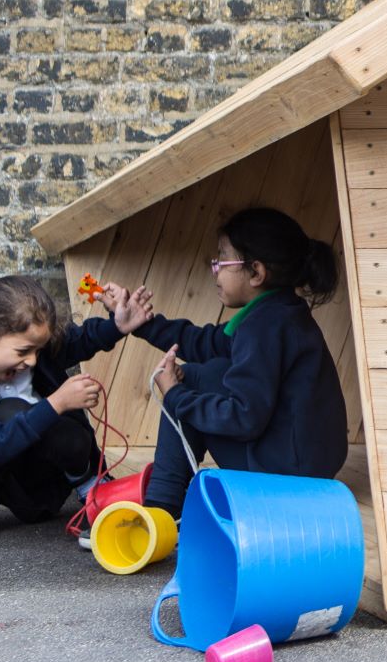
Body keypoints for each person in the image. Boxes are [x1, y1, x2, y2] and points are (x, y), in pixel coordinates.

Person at [119, 207, 349, 520]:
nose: (214, 269)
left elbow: (244, 419)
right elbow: (205, 343)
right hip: (304, 465)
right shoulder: (278, 312)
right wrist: (141, 323)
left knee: (190, 382)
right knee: (205, 371)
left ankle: (161, 508)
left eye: (222, 260)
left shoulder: (264, 328)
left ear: (256, 272)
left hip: (289, 479)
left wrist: (175, 396)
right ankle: (164, 502)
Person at [0, 275, 143, 542]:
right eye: (24, 351)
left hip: (42, 479)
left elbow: (79, 340)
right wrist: (58, 402)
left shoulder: (30, 346)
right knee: (8, 412)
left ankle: (90, 487)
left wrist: (117, 325)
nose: (32, 360)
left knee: (65, 426)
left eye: (38, 351)